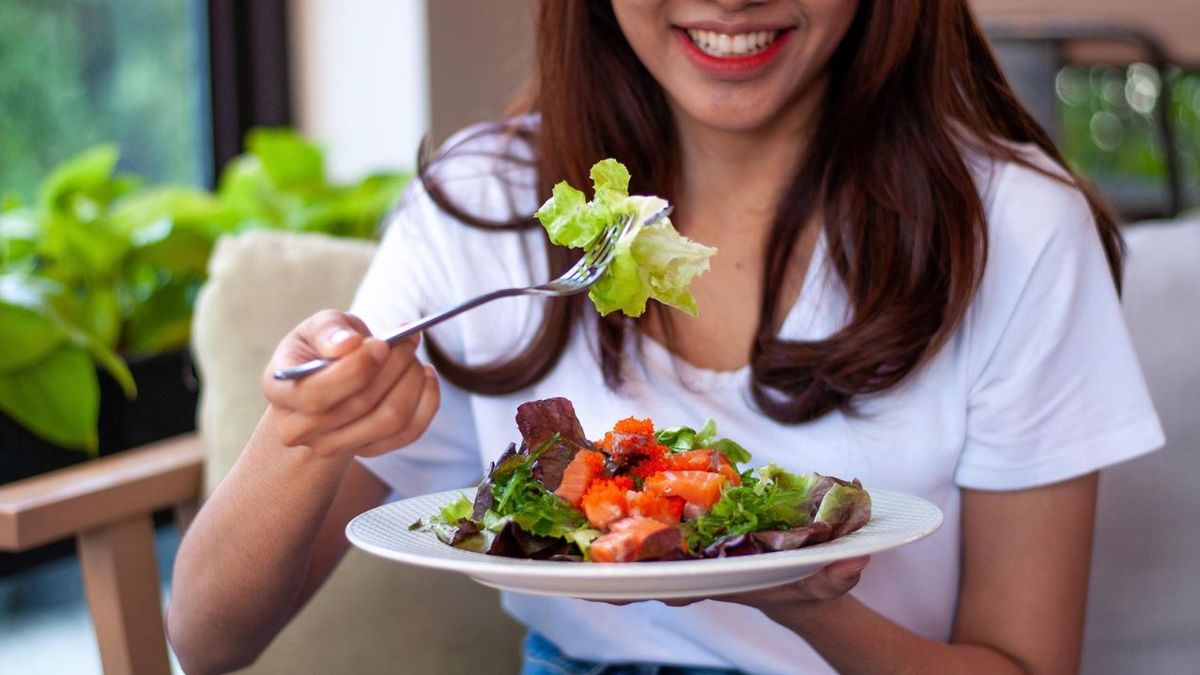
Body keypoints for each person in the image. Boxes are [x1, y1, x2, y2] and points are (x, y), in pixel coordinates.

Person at [167, 1, 1164, 673]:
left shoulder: (1015, 227)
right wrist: (304, 429)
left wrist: (808, 601)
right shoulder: (482, 207)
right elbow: (206, 640)